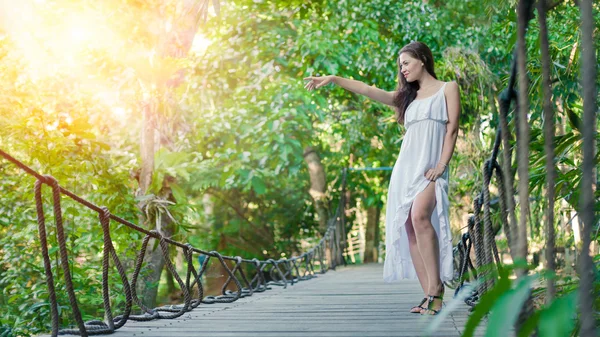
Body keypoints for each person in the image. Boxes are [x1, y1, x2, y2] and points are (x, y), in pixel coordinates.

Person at [304, 41, 460, 315]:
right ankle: (428, 295)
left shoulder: (448, 89)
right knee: (410, 226)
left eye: (406, 63)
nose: (403, 69)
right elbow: (367, 89)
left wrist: (441, 165)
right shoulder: (406, 97)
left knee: (420, 216)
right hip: (407, 168)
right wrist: (333, 79)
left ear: (422, 60)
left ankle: (437, 290)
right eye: (400, 65)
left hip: (431, 168)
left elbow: (452, 130)